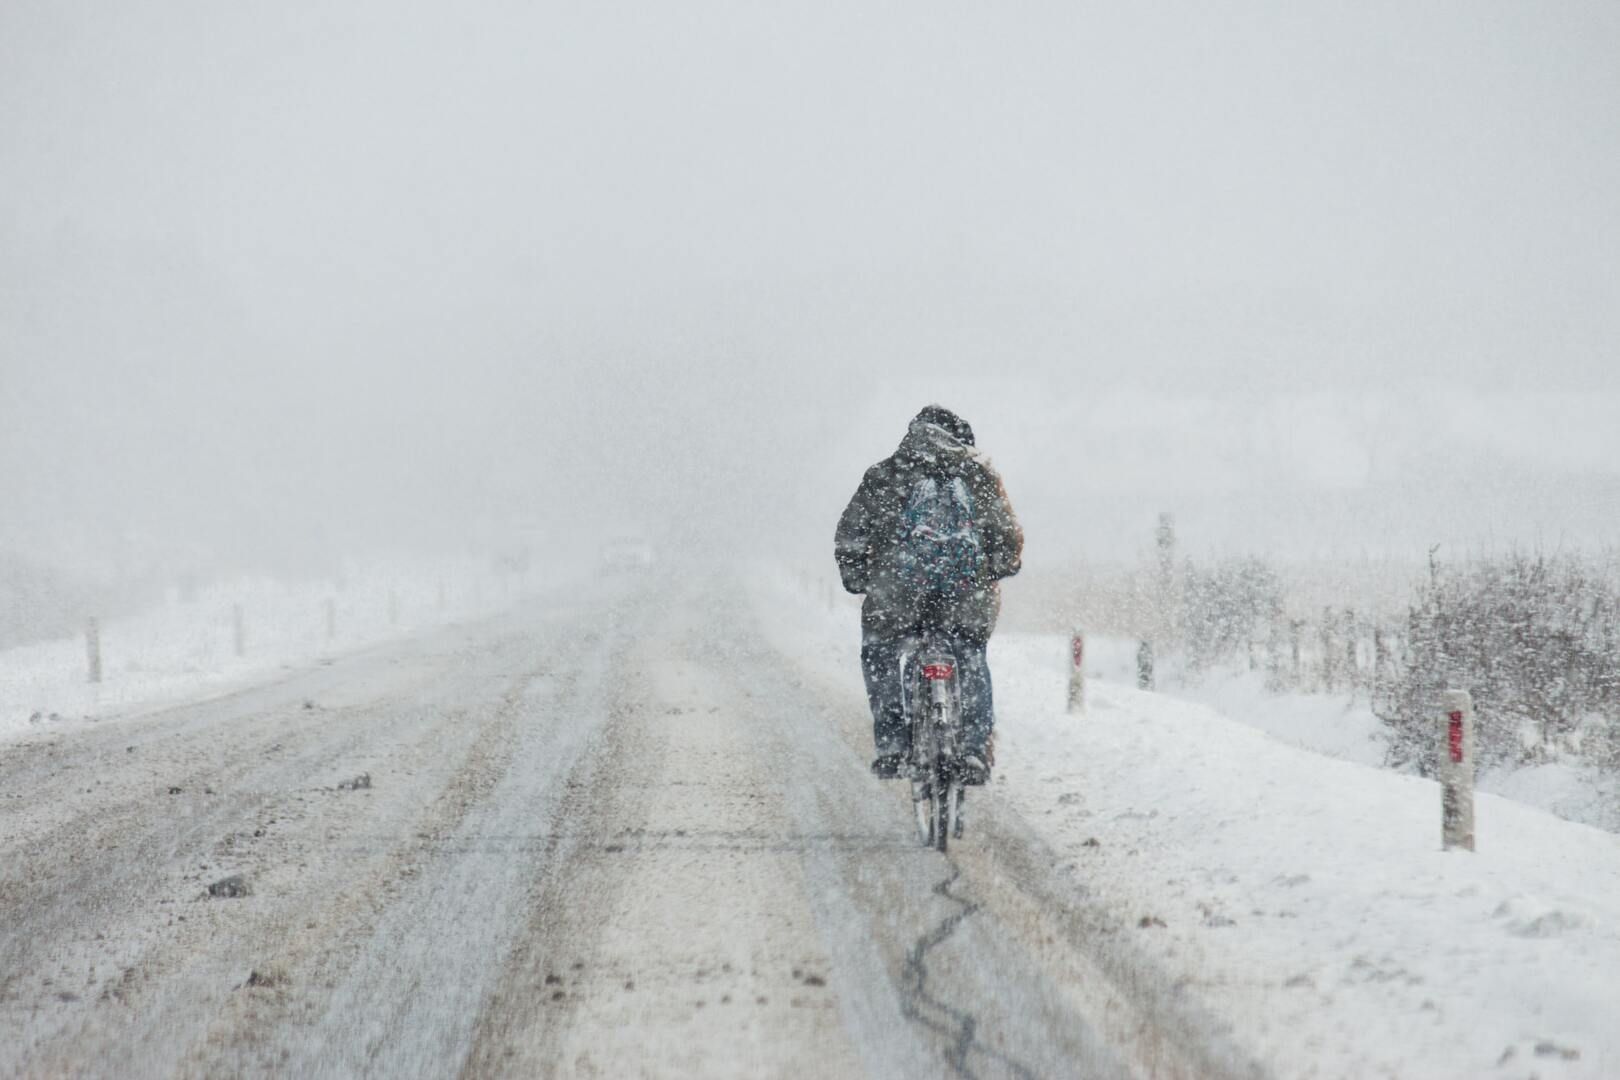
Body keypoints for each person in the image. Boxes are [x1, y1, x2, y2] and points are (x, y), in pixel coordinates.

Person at [834, 405, 1023, 783]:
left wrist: (857, 577)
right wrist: (1001, 566)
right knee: (969, 655)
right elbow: (1007, 536)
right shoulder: (979, 475)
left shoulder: (886, 474)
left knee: (880, 654)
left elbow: (852, 534)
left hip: (897, 599)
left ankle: (892, 746)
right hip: (964, 598)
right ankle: (972, 750)